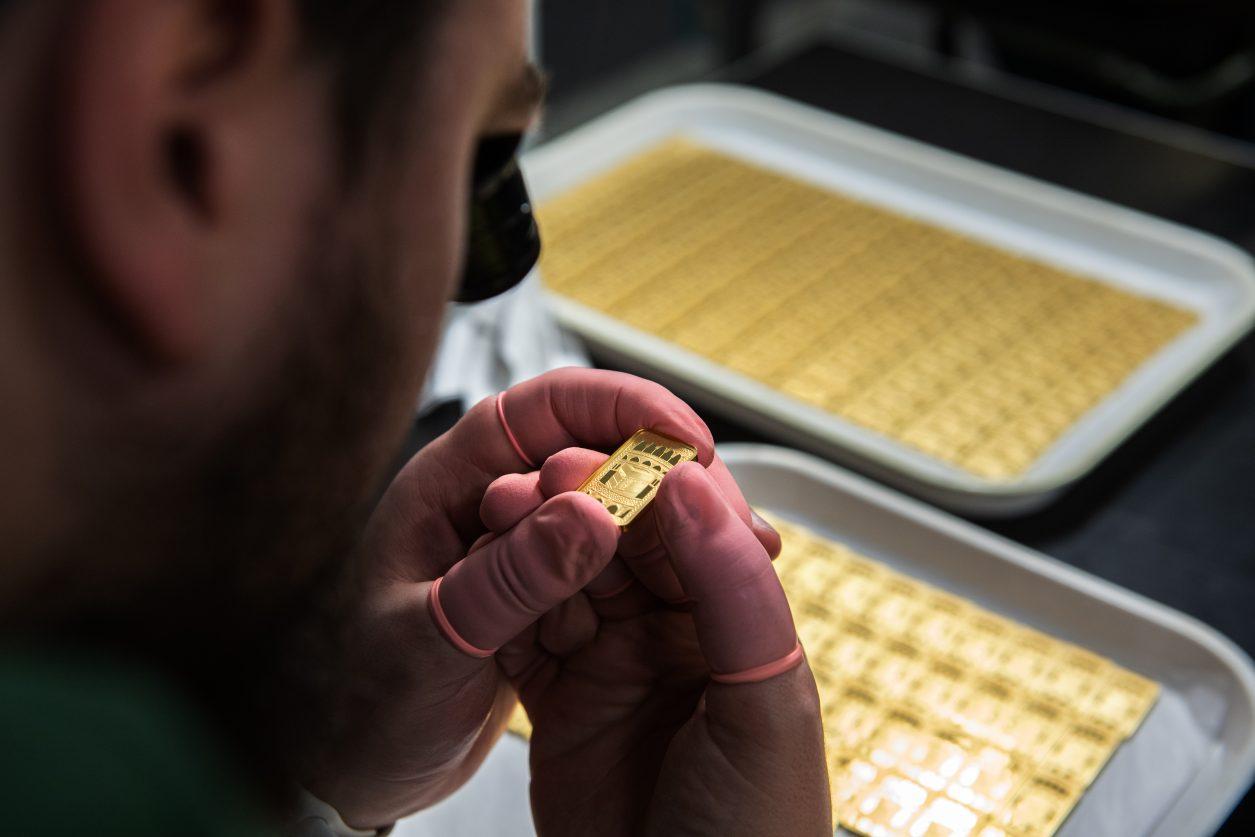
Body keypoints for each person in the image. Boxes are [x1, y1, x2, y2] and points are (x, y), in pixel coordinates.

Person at [0, 1, 830, 835]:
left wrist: (328, 771)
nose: (482, 280)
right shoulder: (99, 779)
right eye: (482, 153)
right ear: (181, 139)